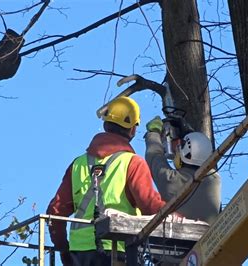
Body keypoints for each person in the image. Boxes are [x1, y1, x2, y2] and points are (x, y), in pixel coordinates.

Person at [47, 97, 168, 266]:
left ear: (105, 124)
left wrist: (63, 249)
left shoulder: (77, 165)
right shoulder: (133, 163)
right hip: (120, 252)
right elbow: (150, 205)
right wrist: (177, 215)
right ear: (133, 129)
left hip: (80, 256)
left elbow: (55, 212)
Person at [144, 116, 221, 224]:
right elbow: (198, 151)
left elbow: (154, 158)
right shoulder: (214, 179)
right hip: (210, 238)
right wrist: (189, 134)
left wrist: (153, 134)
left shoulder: (171, 179)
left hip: (181, 238)